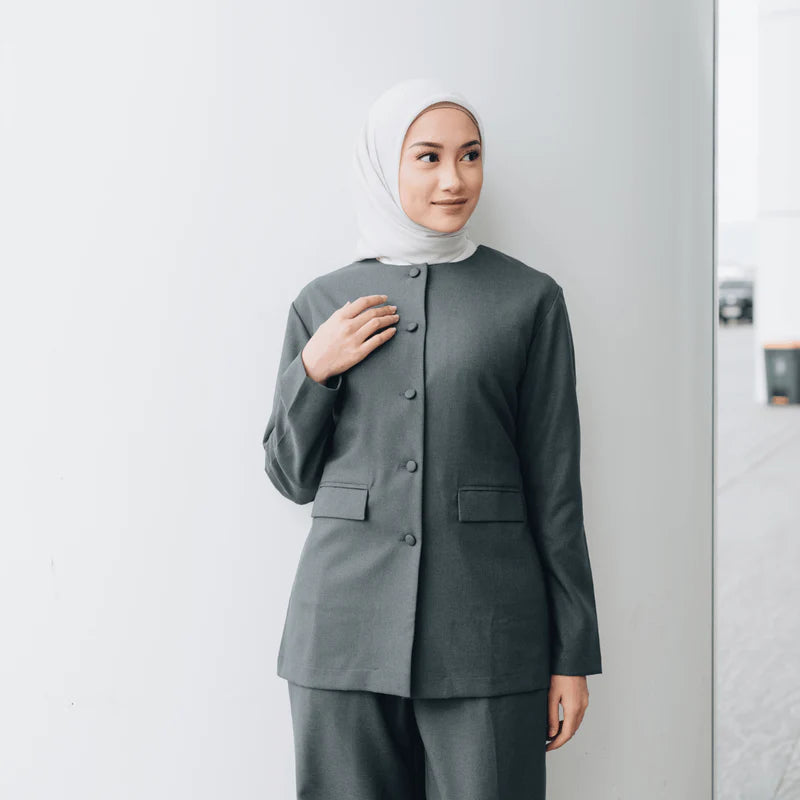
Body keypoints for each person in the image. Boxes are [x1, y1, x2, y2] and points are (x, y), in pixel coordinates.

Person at [262, 77, 602, 800]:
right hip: (341, 636)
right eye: (428, 157)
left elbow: (556, 485)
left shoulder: (529, 299)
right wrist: (313, 370)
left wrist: (571, 654)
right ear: (386, 165)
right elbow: (291, 477)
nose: (455, 179)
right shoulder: (323, 302)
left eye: (470, 155)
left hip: (489, 636)